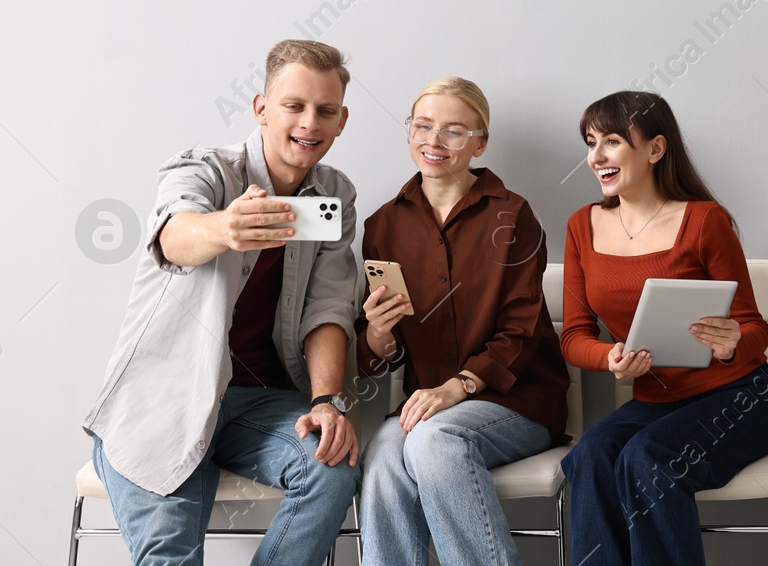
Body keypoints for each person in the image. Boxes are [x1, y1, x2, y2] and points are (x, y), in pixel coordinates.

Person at [82, 39, 361, 565]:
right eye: (294, 105)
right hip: (165, 402)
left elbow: (328, 309)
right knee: (171, 558)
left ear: (341, 120)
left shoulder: (335, 194)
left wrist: (327, 401)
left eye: (325, 111)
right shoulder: (205, 169)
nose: (309, 122)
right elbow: (173, 235)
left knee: (332, 463)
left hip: (257, 403)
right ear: (260, 108)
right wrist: (224, 228)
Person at [559, 90, 768, 566]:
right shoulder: (582, 226)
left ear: (656, 149)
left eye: (612, 141)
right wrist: (609, 358)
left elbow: (755, 328)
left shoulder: (705, 220)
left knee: (647, 459)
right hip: (656, 402)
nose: (595, 156)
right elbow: (574, 336)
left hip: (741, 398)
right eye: (590, 141)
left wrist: (731, 343)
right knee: (589, 458)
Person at [359, 77, 570, 566]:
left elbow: (520, 330)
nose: (434, 141)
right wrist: (377, 333)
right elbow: (379, 358)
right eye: (424, 126)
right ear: (409, 132)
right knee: (383, 459)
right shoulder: (382, 225)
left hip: (518, 402)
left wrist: (458, 387)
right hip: (427, 404)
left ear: (480, 142)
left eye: (454, 131)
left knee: (435, 440)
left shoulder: (513, 215)